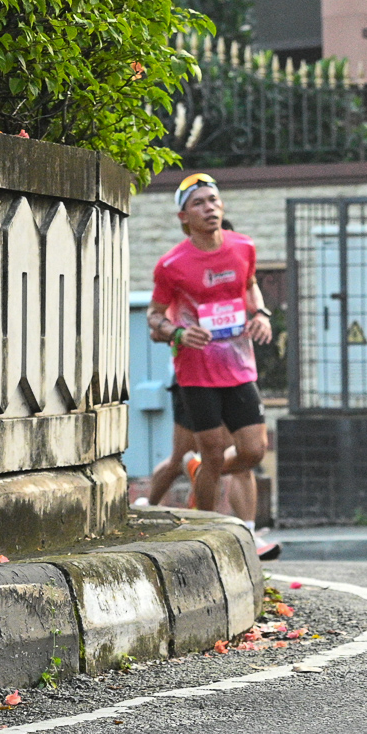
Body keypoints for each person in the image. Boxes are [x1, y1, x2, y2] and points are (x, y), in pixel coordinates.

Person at [146, 174, 276, 535]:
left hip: (239, 366)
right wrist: (179, 333)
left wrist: (260, 314)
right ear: (184, 216)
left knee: (253, 451)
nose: (209, 208)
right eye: (199, 203)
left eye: (213, 200)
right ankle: (204, 531)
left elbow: (250, 286)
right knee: (214, 454)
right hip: (196, 373)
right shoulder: (171, 265)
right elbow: (154, 315)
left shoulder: (243, 247)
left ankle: (201, 471)